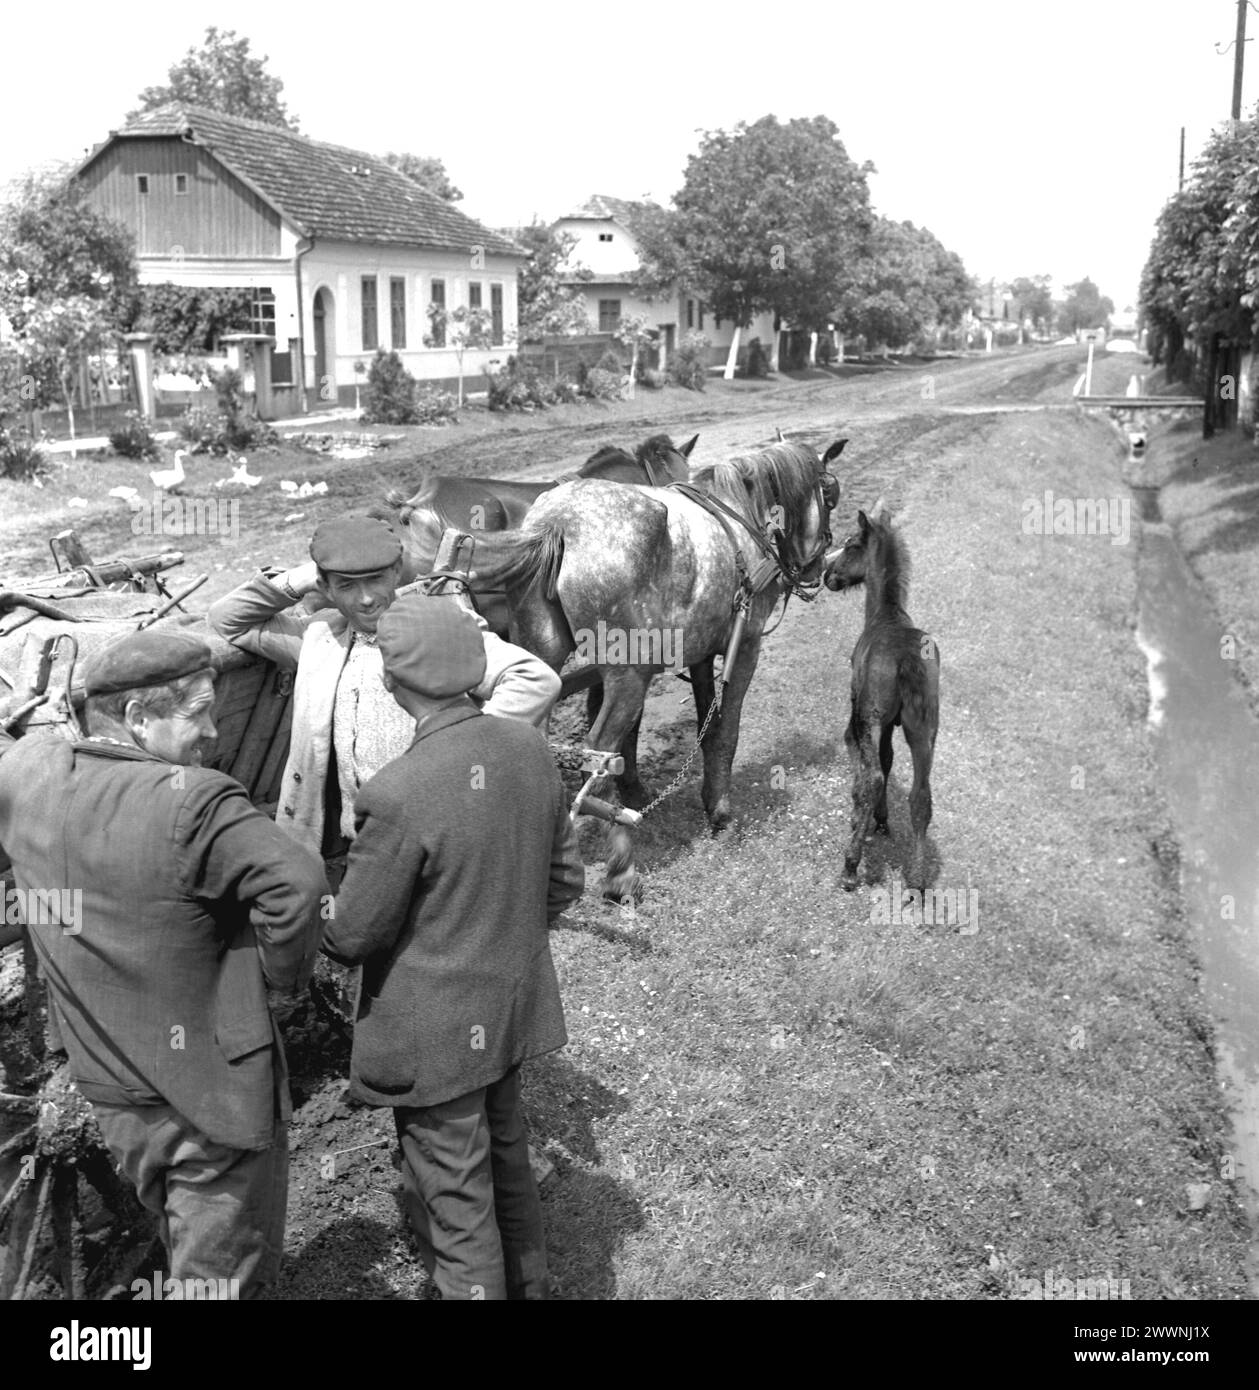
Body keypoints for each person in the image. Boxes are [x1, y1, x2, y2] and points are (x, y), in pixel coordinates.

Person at [0, 628, 326, 1298]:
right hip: (214, 1101)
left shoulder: (27, 771)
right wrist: (282, 982)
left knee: (183, 1240)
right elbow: (298, 884)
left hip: (114, 1093)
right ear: (139, 719)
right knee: (223, 1279)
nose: (211, 732)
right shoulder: (198, 800)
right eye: (197, 713)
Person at [322, 593, 583, 1300]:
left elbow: (352, 936)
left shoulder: (397, 792)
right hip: (509, 1005)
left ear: (389, 679)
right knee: (508, 1161)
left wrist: (316, 900)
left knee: (458, 1206)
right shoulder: (529, 746)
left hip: (434, 1033)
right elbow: (562, 880)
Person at [207, 514, 561, 866]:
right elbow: (228, 618)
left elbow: (534, 678)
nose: (365, 600)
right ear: (325, 588)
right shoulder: (318, 638)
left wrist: (469, 752)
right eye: (346, 586)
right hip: (349, 839)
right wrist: (301, 578)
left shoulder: (436, 629)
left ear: (396, 572)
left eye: (375, 580)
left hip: (432, 831)